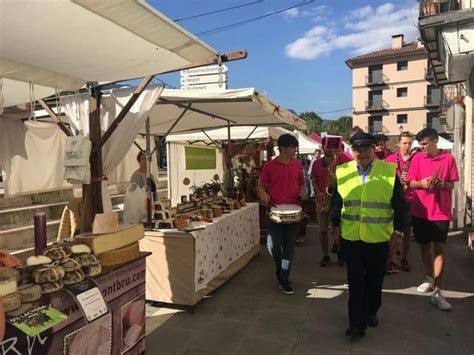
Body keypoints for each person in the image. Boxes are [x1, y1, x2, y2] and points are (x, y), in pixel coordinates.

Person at [331, 132, 410, 338]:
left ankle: (372, 309)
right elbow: (337, 203)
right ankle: (356, 324)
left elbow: (400, 206)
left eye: (366, 149)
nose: (362, 153)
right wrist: (335, 226)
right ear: (352, 151)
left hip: (378, 238)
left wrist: (399, 231)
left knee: (374, 281)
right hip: (351, 237)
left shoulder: (388, 171)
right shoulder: (342, 171)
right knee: (355, 280)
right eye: (358, 149)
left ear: (374, 149)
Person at [407, 128, 459, 311]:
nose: (421, 148)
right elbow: (410, 182)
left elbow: (452, 185)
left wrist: (441, 184)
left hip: (440, 212)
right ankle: (429, 277)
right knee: (424, 246)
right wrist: (421, 183)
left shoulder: (448, 159)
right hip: (420, 210)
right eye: (419, 145)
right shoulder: (417, 159)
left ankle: (438, 290)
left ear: (435, 141)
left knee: (439, 248)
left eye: (424, 144)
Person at [258, 134, 308, 295]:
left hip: (294, 212)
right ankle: (281, 269)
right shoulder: (270, 166)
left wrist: (302, 192)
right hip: (274, 213)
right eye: (293, 147)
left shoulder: (297, 165)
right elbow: (261, 186)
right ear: (284, 148)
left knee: (289, 246)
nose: (294, 150)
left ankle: (284, 278)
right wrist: (263, 194)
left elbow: (301, 184)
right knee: (273, 246)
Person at [311, 137, 351, 267]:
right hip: (322, 199)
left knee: (338, 229)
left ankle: (341, 253)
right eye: (327, 146)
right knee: (323, 230)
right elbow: (313, 180)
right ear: (323, 147)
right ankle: (325, 255)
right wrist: (319, 192)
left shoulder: (342, 160)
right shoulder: (317, 163)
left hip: (339, 200)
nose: (330, 148)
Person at [385, 131, 417, 273]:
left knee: (406, 232)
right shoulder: (391, 159)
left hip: (410, 199)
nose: (407, 146)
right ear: (398, 143)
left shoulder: (416, 159)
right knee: (394, 232)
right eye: (404, 143)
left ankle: (404, 258)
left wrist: (409, 181)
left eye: (409, 143)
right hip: (395, 200)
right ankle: (392, 260)